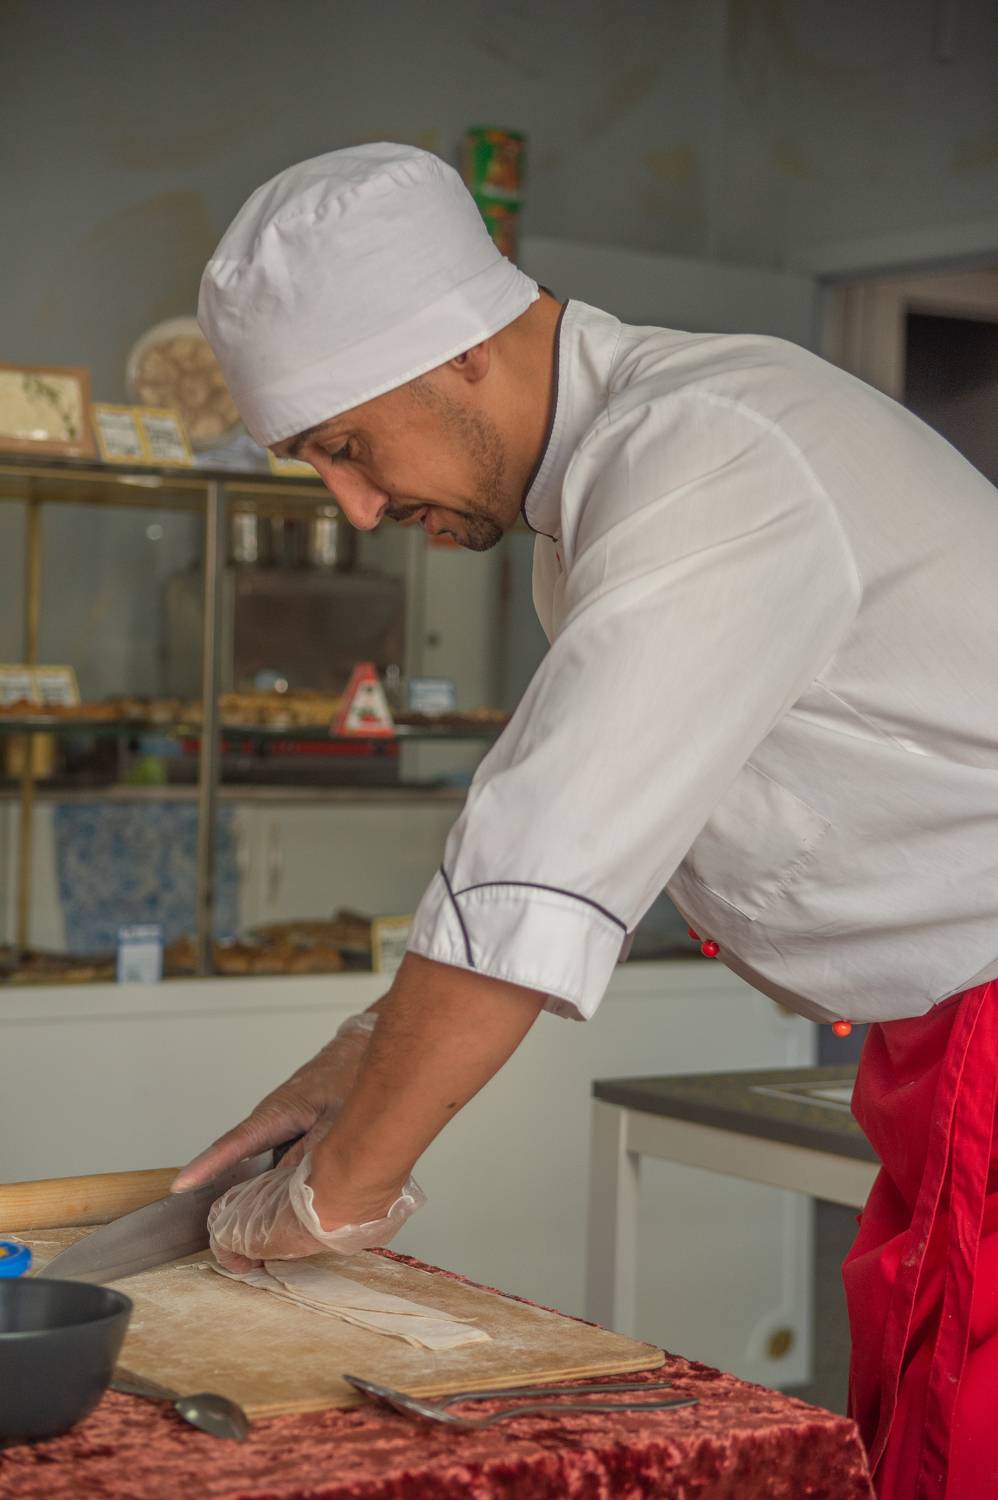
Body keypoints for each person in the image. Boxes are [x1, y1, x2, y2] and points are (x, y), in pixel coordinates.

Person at [177, 143, 998, 1498]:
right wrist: (362, 1054)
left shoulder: (709, 450)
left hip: (988, 1020)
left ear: (460, 351)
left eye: (345, 446)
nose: (356, 506)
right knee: (917, 1406)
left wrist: (335, 1196)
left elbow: (540, 851)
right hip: (933, 1037)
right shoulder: (604, 496)